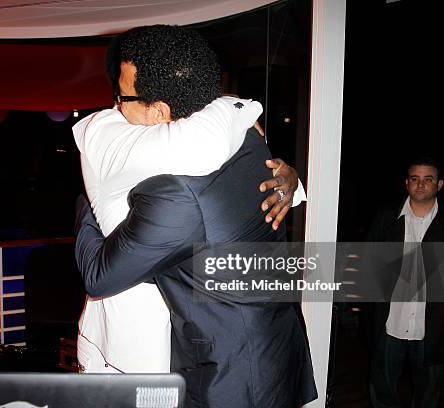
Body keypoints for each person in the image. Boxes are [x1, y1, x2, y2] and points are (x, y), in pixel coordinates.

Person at [74, 25, 317, 407]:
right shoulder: (248, 138)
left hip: (230, 374)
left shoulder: (176, 193)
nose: (116, 108)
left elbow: (99, 276)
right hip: (275, 342)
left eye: (122, 97)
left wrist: (91, 196)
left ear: (159, 111)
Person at [364, 157, 444, 408]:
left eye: (428, 179)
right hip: (389, 323)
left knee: (429, 396)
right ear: (406, 183)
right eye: (415, 179)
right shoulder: (387, 218)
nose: (421, 185)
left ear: (439, 184)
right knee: (382, 391)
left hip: (433, 328)